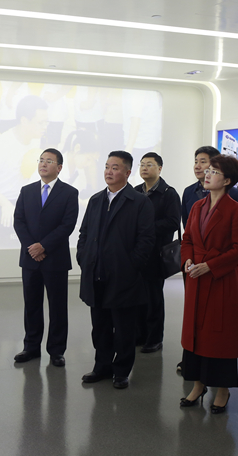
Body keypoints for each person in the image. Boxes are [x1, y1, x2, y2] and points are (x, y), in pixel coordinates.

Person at [77, 151, 155, 389]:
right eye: (107, 167)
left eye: (115, 167)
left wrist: (131, 266)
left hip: (124, 276)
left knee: (123, 328)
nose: (109, 172)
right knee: (100, 327)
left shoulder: (139, 201)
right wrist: (84, 258)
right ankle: (101, 366)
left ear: (128, 172)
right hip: (96, 273)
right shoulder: (96, 200)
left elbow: (146, 240)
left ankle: (121, 371)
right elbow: (84, 233)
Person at [180, 155, 238, 414]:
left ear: (227, 180)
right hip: (196, 279)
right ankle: (198, 385)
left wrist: (211, 265)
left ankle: (222, 389)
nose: (207, 174)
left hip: (220, 280)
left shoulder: (235, 210)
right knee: (195, 334)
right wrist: (187, 260)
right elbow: (187, 239)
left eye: (214, 171)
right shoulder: (197, 206)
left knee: (219, 336)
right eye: (207, 170)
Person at [13, 148, 79, 366]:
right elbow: (19, 221)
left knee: (58, 307)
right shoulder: (27, 191)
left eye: (49, 161)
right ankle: (31, 347)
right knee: (31, 305)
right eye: (41, 160)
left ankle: (57, 350)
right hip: (30, 259)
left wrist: (44, 246)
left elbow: (67, 225)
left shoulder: (69, 193)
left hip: (55, 259)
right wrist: (32, 247)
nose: (43, 164)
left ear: (59, 167)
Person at [0, 95, 49, 228]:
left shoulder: (35, 139)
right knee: (16, 227)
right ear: (24, 121)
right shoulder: (3, 144)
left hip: (15, 198)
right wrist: (6, 205)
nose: (45, 127)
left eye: (46, 122)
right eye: (40, 123)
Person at [133, 152, 181, 353]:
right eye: (142, 164)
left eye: (149, 165)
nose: (144, 168)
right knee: (137, 296)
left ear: (159, 169)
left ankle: (154, 338)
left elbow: (172, 222)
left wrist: (145, 228)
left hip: (156, 254)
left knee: (153, 297)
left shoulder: (169, 193)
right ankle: (140, 335)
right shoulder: (135, 191)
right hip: (138, 253)